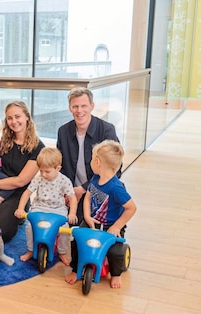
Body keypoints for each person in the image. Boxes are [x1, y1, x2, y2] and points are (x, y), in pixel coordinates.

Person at [65, 140, 136, 289]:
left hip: (111, 225)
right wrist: (87, 216)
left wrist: (117, 227)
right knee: (77, 242)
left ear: (97, 162)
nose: (90, 161)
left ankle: (116, 274)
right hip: (93, 220)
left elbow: (131, 208)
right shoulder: (96, 178)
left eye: (91, 158)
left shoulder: (116, 188)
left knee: (115, 251)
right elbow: (88, 196)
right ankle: (76, 269)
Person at [56, 87, 120, 221]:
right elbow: (59, 167)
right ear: (70, 108)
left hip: (98, 192)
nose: (79, 111)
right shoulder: (63, 131)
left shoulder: (106, 130)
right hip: (71, 192)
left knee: (86, 235)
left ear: (92, 106)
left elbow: (115, 169)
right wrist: (67, 191)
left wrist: (84, 189)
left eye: (84, 106)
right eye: (75, 106)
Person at [0, 101, 45, 243]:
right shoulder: (4, 141)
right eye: (10, 118)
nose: (14, 121)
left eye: (17, 116)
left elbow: (21, 181)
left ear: (27, 117)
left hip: (17, 193)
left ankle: (20, 213)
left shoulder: (38, 147)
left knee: (0, 231)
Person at [14, 147, 77, 265]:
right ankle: (31, 249)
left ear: (58, 168)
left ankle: (62, 252)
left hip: (58, 210)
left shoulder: (64, 180)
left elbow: (72, 198)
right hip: (39, 208)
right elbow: (27, 193)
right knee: (29, 228)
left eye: (47, 171)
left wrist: (72, 213)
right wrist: (20, 208)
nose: (43, 174)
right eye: (41, 170)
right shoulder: (38, 179)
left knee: (65, 230)